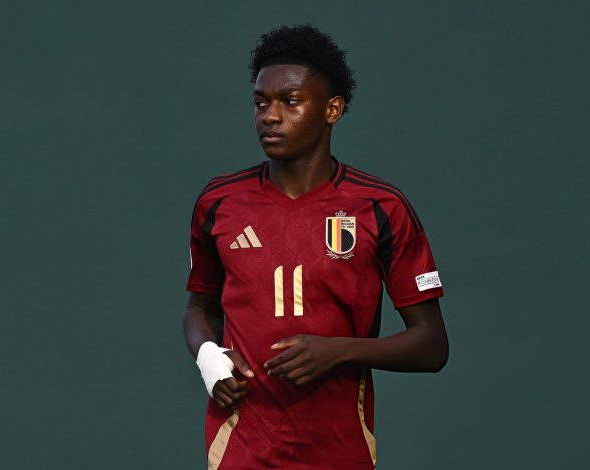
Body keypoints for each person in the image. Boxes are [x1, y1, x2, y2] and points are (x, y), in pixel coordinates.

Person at [183, 24, 448, 469]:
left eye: (290, 101)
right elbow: (198, 308)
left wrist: (338, 350)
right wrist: (209, 357)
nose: (270, 116)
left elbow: (432, 345)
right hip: (241, 449)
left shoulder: (380, 207)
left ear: (332, 109)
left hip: (340, 451)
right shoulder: (219, 202)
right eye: (260, 102)